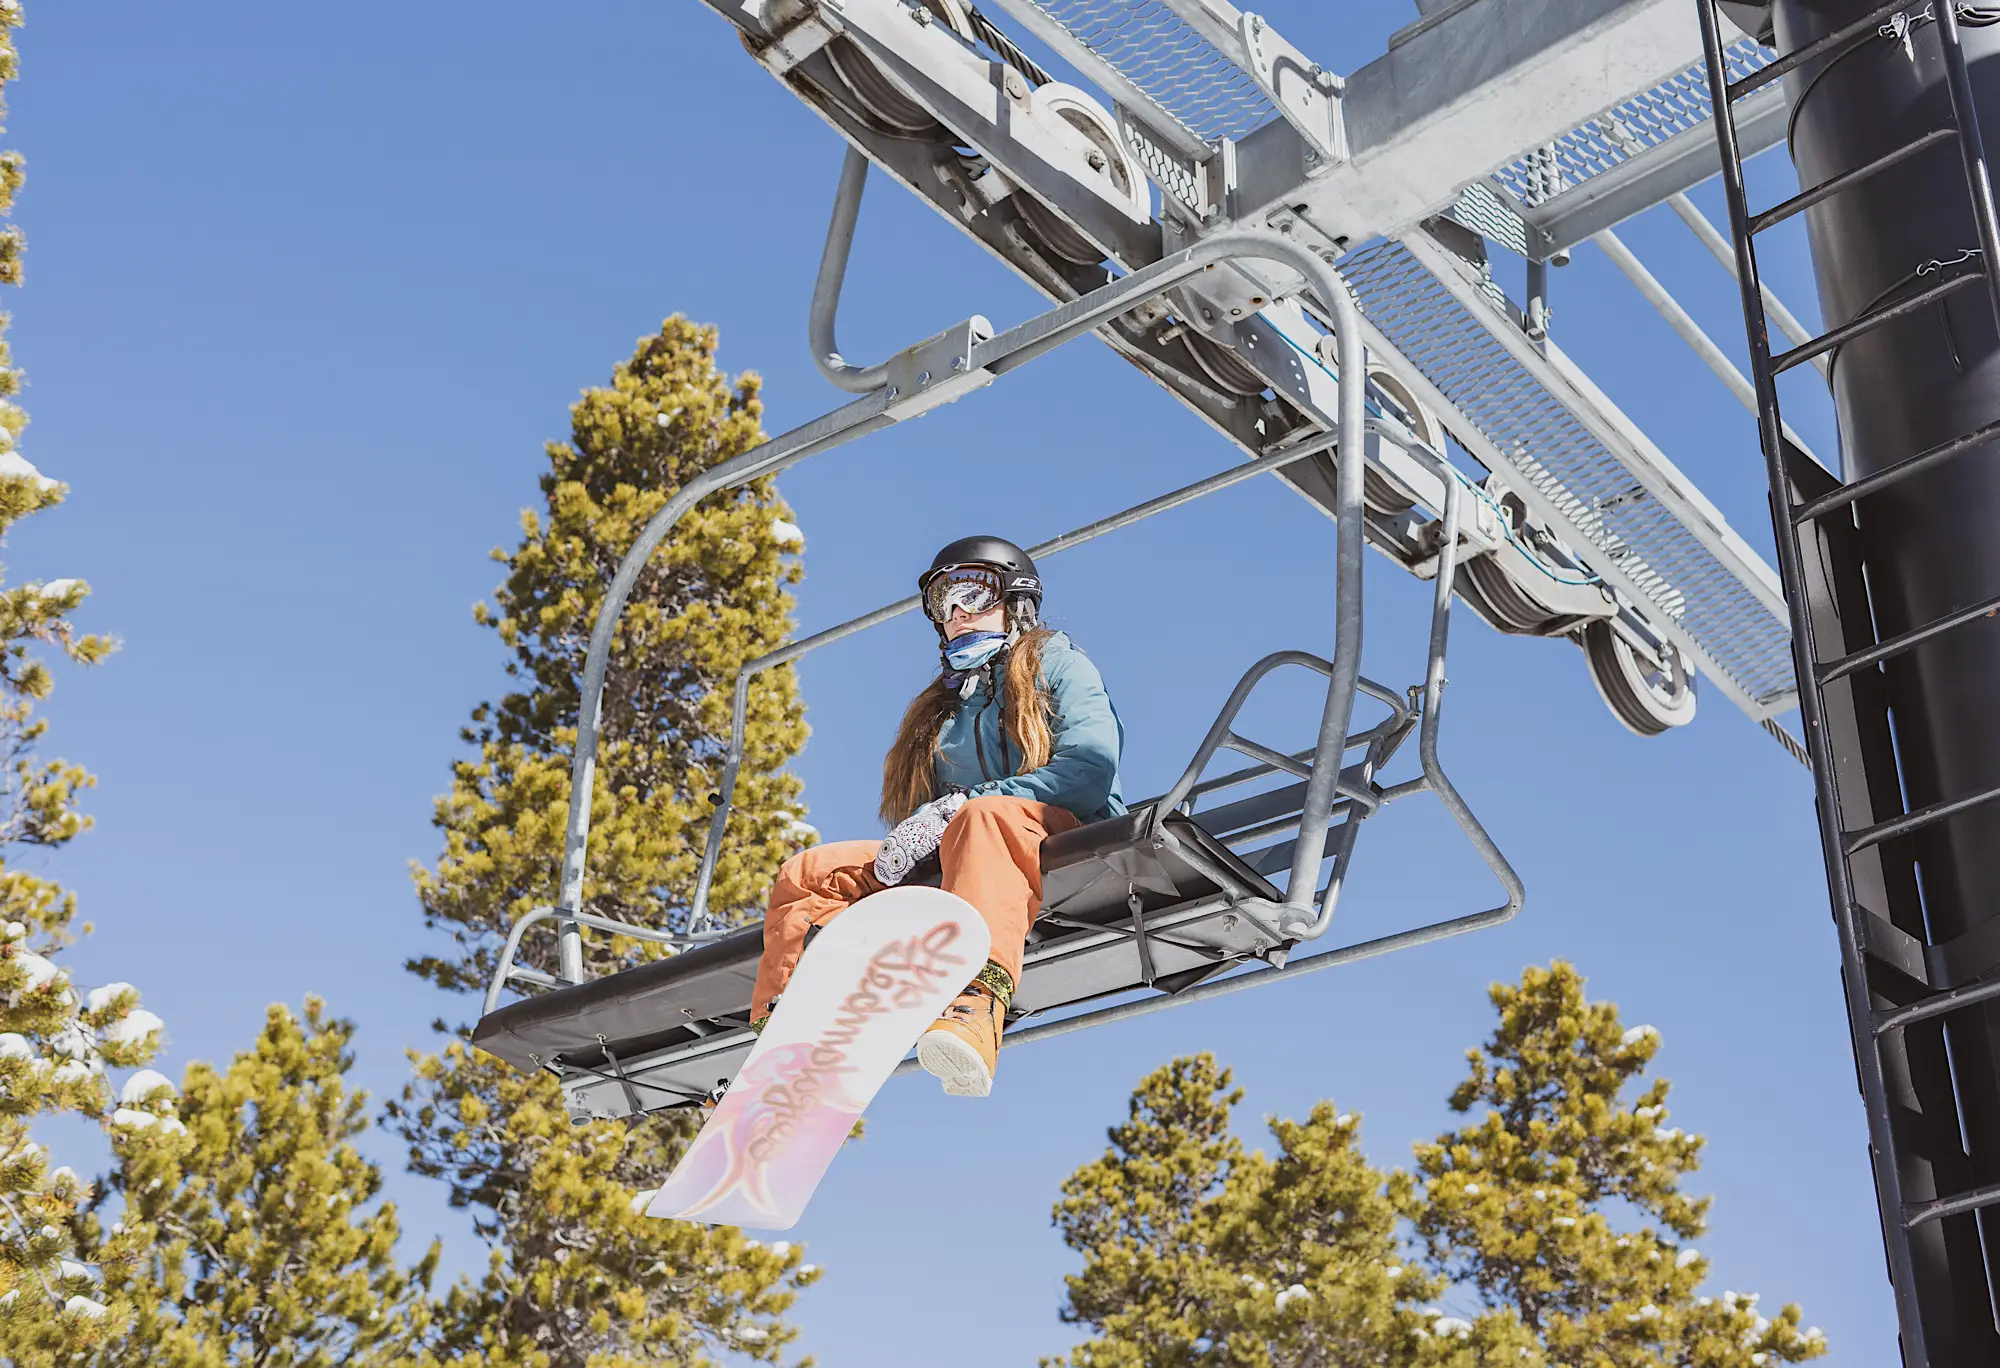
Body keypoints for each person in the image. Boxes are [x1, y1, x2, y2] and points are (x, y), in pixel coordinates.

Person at [748, 536, 1125, 1097]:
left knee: (985, 818)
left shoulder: (1055, 664)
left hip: (1069, 838)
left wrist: (961, 808)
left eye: (973, 595)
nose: (957, 615)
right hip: (971, 849)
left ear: (1015, 601)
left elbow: (1090, 768)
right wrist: (917, 833)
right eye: (943, 605)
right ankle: (787, 1039)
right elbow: (937, 824)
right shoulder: (944, 709)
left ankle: (977, 1005)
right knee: (810, 874)